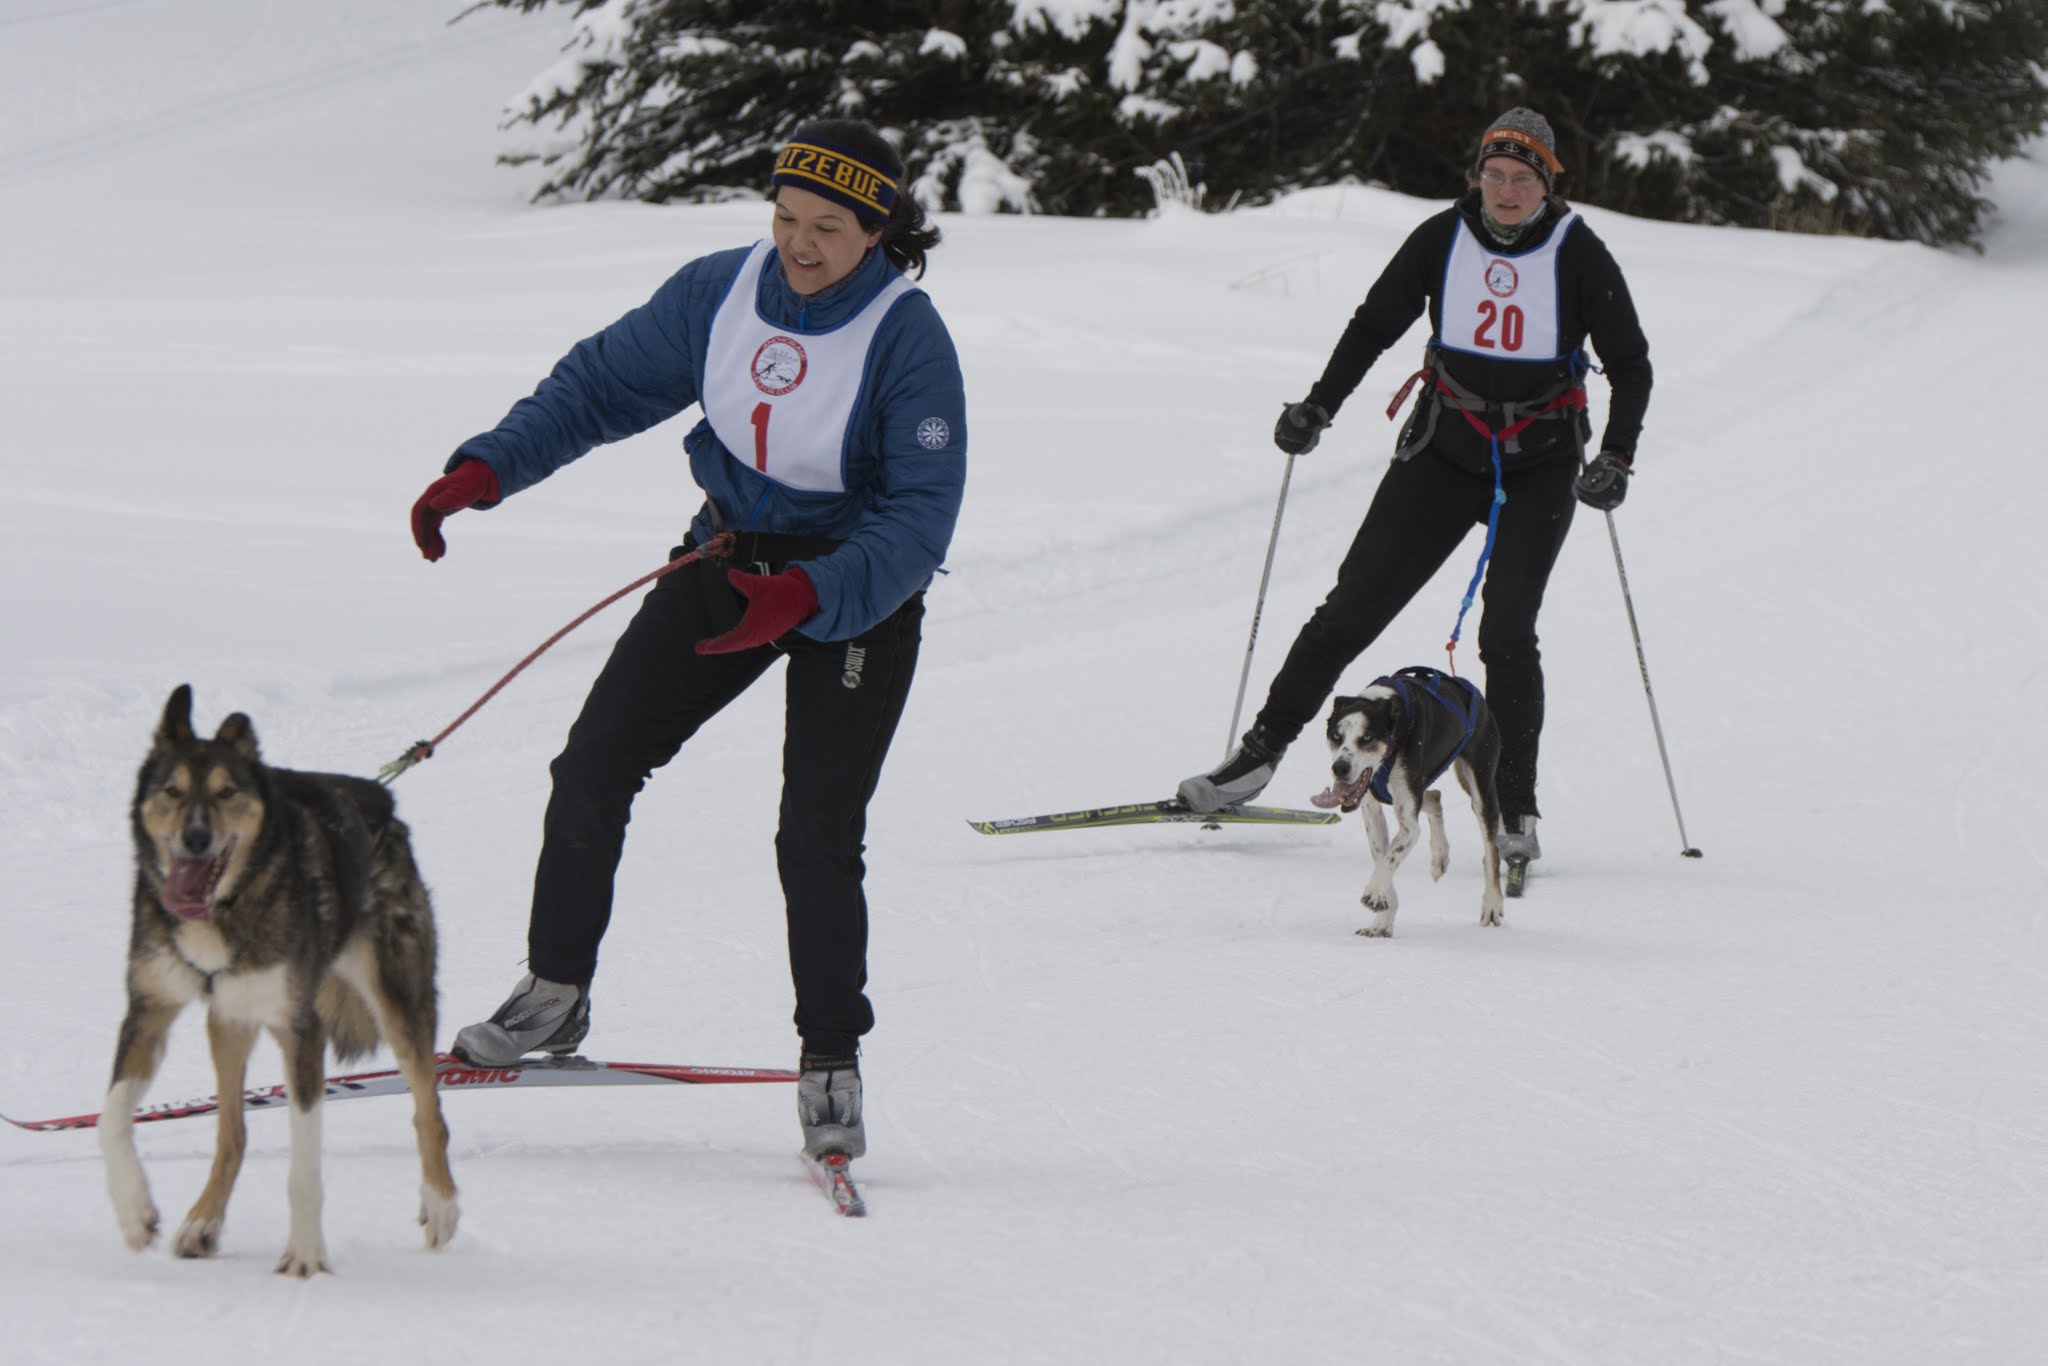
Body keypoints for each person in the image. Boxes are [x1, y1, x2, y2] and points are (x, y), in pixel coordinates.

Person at [407, 119, 967, 1162]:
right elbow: (597, 388)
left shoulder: (905, 337)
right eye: (787, 217)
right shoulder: (721, 290)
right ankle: (554, 992)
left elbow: (919, 518)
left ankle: (830, 1059)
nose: (800, 245)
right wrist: (484, 469)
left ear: (877, 233)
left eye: (828, 229)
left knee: (815, 833)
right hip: (722, 564)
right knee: (591, 765)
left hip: (851, 596)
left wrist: (809, 591)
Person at [1178, 107, 1651, 871]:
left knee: (1506, 635)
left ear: (1547, 183)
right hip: (1443, 449)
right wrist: (1318, 405)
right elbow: (1374, 325)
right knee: (1348, 611)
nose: (1504, 191)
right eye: (1493, 175)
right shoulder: (1443, 237)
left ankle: (1515, 806)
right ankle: (1257, 756)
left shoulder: (1578, 252)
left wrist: (1617, 459)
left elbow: (1631, 364)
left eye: (1521, 178)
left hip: (1540, 463)